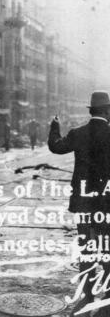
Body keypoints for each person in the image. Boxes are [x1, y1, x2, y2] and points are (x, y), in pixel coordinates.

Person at [48, 91, 110, 315]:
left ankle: (87, 294)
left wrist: (55, 126)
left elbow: (56, 146)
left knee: (86, 248)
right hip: (106, 204)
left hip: (83, 203)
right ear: (107, 111)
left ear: (92, 111)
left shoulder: (78, 133)